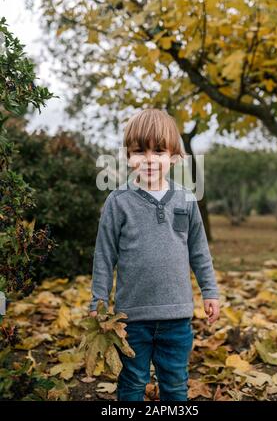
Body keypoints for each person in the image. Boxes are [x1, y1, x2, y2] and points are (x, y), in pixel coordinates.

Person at [89, 108, 220, 401]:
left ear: (174, 157)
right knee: (133, 382)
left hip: (177, 316)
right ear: (127, 156)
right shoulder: (118, 202)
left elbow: (199, 251)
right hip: (131, 318)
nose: (149, 159)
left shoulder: (185, 200)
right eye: (139, 151)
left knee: (174, 385)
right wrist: (98, 300)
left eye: (158, 151)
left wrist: (209, 291)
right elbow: (104, 255)